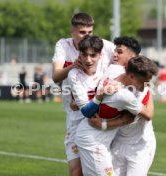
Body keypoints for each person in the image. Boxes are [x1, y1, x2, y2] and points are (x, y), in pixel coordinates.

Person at [51, 12, 114, 176]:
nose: (87, 36)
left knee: (101, 168)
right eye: (82, 32)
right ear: (72, 30)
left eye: (90, 32)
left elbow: (127, 56)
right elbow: (56, 76)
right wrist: (73, 66)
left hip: (101, 113)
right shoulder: (63, 45)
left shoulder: (103, 45)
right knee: (76, 171)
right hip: (74, 114)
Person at [75, 56, 158, 176]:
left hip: (96, 138)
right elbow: (147, 114)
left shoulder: (112, 74)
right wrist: (105, 124)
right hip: (93, 141)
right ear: (131, 76)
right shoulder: (124, 95)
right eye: (144, 82)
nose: (146, 85)